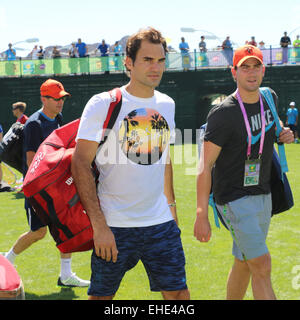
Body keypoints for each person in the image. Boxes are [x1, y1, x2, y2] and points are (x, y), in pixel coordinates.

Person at [71, 27, 190, 300]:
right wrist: (99, 226)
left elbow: (164, 158)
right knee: (101, 297)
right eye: (147, 60)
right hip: (114, 224)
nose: (155, 67)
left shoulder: (167, 104)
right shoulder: (102, 103)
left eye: (160, 60)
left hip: (160, 222)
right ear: (129, 62)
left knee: (179, 295)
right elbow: (80, 164)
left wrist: (172, 210)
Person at [194, 44, 294, 300]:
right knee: (262, 264)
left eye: (256, 66)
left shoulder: (269, 96)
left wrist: (284, 134)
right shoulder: (223, 113)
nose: (251, 72)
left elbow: (276, 129)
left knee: (244, 263)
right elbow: (204, 166)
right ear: (233, 72)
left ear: (263, 69)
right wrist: (201, 214)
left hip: (263, 193)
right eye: (244, 67)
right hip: (232, 198)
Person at [2, 79, 90, 288]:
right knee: (38, 233)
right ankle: (6, 260)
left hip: (57, 187)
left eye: (62, 98)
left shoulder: (57, 118)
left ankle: (66, 275)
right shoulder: (34, 124)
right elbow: (32, 161)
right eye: (56, 98)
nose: (60, 102)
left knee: (66, 226)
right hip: (39, 190)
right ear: (44, 99)